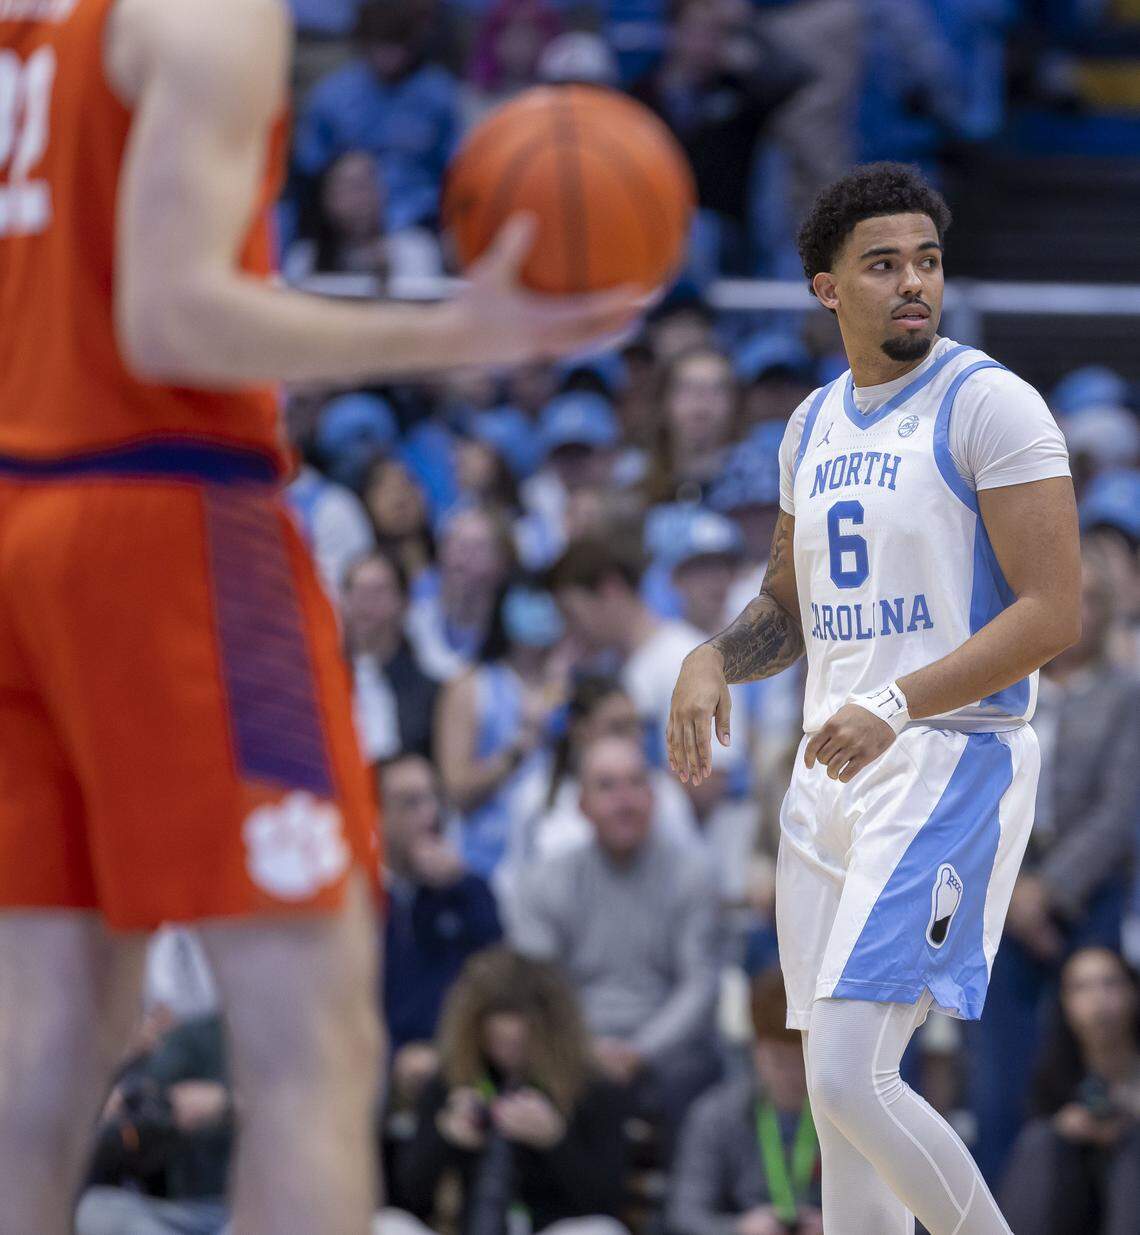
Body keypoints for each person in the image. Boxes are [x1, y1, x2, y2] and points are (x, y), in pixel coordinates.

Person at [0, 3, 643, 1232]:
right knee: (313, 1042)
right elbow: (172, 316)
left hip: (18, 507)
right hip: (162, 512)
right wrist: (458, 329)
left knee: (50, 1036)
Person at [668, 162, 1080, 1235]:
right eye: (884, 263)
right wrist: (711, 655)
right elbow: (786, 602)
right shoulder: (810, 424)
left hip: (948, 754)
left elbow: (1052, 614)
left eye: (928, 262)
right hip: (830, 769)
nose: (914, 283)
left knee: (857, 1077)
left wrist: (895, 704)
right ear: (826, 288)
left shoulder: (989, 401)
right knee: (835, 1108)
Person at [972, 545, 1140, 1180]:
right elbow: (974, 789)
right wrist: (1014, 893)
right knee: (996, 1082)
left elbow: (1119, 811)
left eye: (1094, 599)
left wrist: (1053, 891)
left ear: (1111, 612)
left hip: (1086, 901)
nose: (1080, 612)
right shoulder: (1003, 684)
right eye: (1069, 595)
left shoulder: (1127, 697)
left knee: (1086, 1077)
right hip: (999, 897)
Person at [511, 735, 723, 1151]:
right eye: (606, 787)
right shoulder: (544, 881)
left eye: (635, 783)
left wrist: (638, 1052)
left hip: (666, 1053)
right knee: (530, 1072)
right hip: (572, 1047)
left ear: (653, 795)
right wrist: (586, 1050)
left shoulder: (692, 876)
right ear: (581, 806)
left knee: (698, 1077)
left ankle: (679, 1214)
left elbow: (699, 986)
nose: (624, 801)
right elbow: (538, 992)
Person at [386, 947, 630, 1235]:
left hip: (549, 1227)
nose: (507, 1055)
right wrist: (445, 1139)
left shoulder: (592, 1088)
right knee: (386, 1224)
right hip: (466, 1227)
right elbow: (407, 1197)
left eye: (520, 1044)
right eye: (496, 1041)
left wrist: (556, 1141)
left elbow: (608, 1203)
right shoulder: (452, 1081)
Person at [668, 967, 823, 1235]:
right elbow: (685, 1214)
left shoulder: (851, 1118)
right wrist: (739, 1228)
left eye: (804, 1061)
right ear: (755, 1051)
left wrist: (838, 1227)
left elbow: (907, 1214)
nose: (794, 1075)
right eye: (780, 1061)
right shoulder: (715, 1115)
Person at [998, 947, 1140, 1235]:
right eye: (1082, 988)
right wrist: (1067, 1126)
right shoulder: (1052, 1070)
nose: (1098, 1000)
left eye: (1110, 983)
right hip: (1075, 1196)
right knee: (1040, 1141)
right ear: (1064, 1002)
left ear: (1133, 991)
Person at [435, 583, 567, 880]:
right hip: (488, 866)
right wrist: (519, 749)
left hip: (558, 859)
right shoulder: (470, 687)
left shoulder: (571, 687)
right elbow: (456, 790)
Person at [381, 753, 502, 1061]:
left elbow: (497, 976)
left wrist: (461, 886)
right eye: (411, 803)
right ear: (378, 813)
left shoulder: (467, 887)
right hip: (380, 1061)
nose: (429, 814)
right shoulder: (365, 899)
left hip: (458, 1058)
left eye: (433, 798)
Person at [549, 537, 707, 761]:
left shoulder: (686, 659)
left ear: (610, 590)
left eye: (572, 615)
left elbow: (708, 779)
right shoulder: (603, 667)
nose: (571, 630)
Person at [76, 1013, 234, 1235]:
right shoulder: (183, 1042)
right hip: (183, 1212)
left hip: (246, 1207)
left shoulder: (204, 1039)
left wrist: (226, 1103)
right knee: (95, 1212)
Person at [343, 552, 440, 761]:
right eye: (356, 590)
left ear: (403, 603)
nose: (365, 602)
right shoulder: (317, 683)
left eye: (378, 592)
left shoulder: (428, 693)